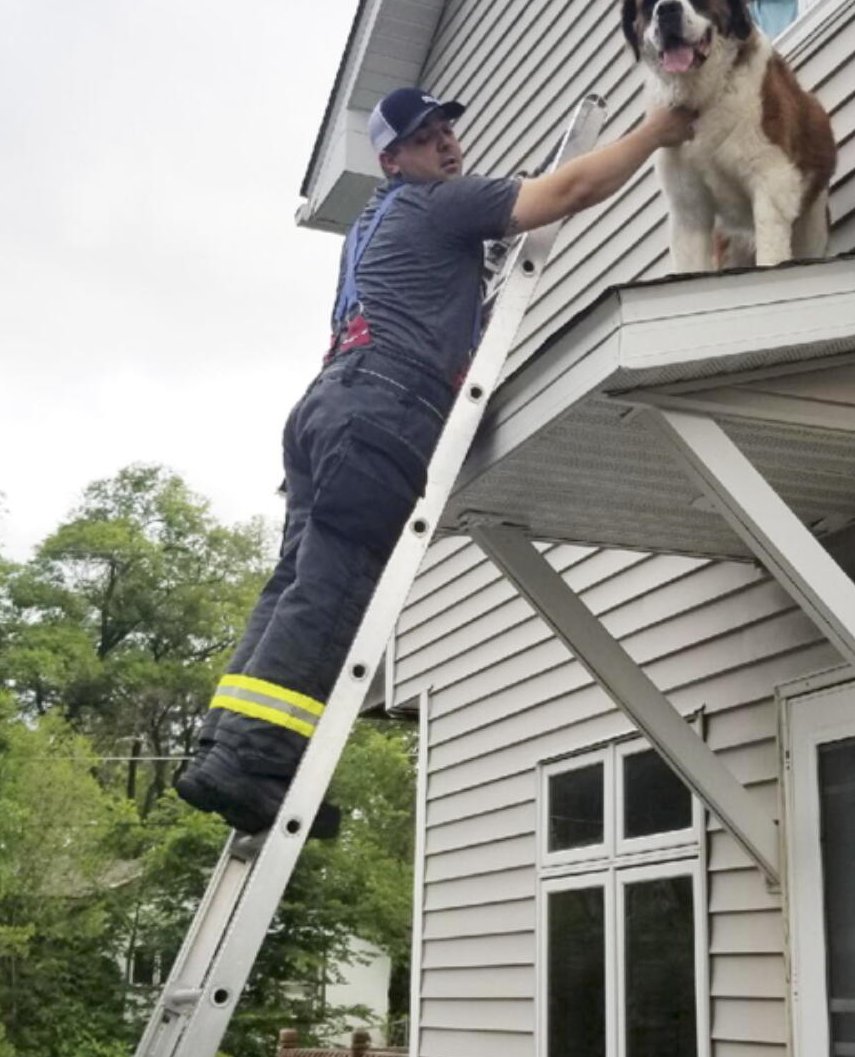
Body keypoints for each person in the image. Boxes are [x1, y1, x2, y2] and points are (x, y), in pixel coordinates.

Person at [175, 85, 694, 837]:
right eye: (425, 137)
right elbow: (571, 188)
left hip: (328, 409)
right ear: (392, 159)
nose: (446, 142)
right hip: (381, 411)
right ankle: (254, 762)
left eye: (447, 127)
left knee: (294, 583)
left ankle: (223, 746)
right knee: (335, 586)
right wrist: (659, 129)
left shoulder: (369, 224)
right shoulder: (437, 204)